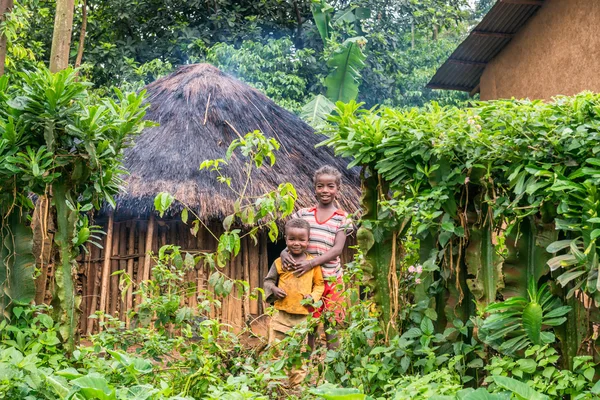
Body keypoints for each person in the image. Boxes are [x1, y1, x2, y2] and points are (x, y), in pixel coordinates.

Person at [280, 165, 353, 350]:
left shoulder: (342, 218)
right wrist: (283, 253)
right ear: (314, 188)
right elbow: (292, 240)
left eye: (330, 186)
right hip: (308, 281)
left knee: (331, 324)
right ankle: (306, 366)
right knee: (308, 325)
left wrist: (310, 263)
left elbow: (337, 249)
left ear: (338, 189)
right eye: (320, 186)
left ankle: (333, 366)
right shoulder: (303, 214)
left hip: (331, 280)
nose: (325, 190)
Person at [263, 218, 325, 387]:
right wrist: (274, 290)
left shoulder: (312, 264)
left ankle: (297, 386)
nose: (296, 243)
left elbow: (319, 285)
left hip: (302, 319)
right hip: (281, 316)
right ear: (285, 239)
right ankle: (276, 386)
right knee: (276, 351)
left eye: (301, 239)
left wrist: (312, 297)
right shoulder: (279, 262)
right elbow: (268, 281)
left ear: (308, 240)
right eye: (292, 239)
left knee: (299, 353)